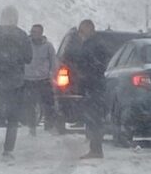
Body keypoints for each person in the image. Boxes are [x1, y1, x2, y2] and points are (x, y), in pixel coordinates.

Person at [0, 6, 32, 156]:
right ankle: (8, 149)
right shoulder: (21, 35)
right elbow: (28, 58)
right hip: (15, 83)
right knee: (13, 117)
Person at [66, 19, 111, 158]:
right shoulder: (93, 43)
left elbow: (94, 64)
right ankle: (95, 147)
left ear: (90, 29)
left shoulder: (94, 45)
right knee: (92, 118)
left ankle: (96, 149)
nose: (81, 33)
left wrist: (85, 72)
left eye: (82, 30)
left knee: (94, 118)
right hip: (91, 85)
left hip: (94, 86)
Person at [22, 23, 57, 136]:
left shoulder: (48, 46)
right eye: (32, 32)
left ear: (41, 33)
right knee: (30, 105)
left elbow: (53, 62)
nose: (34, 34)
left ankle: (49, 126)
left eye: (36, 32)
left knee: (48, 104)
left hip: (43, 80)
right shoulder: (25, 45)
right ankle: (32, 127)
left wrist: (52, 75)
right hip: (28, 80)